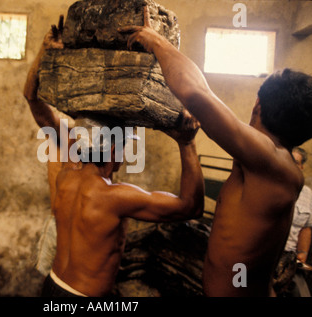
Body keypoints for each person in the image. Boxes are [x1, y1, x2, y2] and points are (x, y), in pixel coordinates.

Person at [119, 7, 312, 296]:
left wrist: (155, 40)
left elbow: (197, 94)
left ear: (257, 106)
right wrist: (187, 142)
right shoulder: (268, 163)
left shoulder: (273, 161)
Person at [24, 18, 205, 297]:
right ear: (111, 150)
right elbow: (190, 208)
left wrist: (45, 51)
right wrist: (187, 143)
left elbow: (32, 99)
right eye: (126, 145)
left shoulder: (67, 175)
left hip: (52, 286)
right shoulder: (116, 197)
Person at [273, 147, 312, 297]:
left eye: (295, 163)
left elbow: (306, 227)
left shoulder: (308, 195)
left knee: (302, 294)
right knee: (240, 284)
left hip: (289, 259)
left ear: (301, 166)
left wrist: (302, 253)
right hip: (263, 256)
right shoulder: (269, 186)